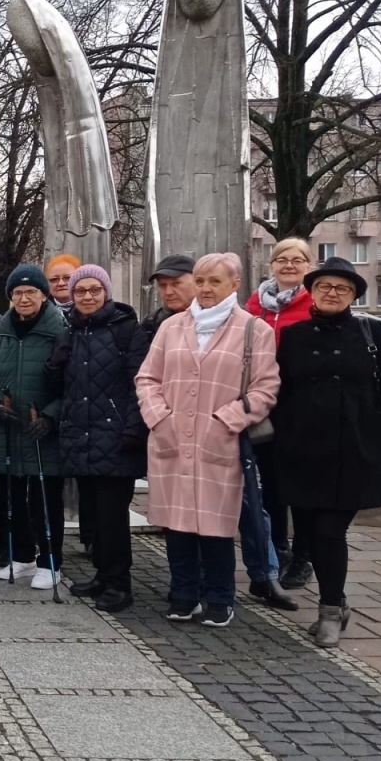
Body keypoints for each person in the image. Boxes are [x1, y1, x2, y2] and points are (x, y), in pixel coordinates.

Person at [273, 257, 381, 646]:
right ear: (311, 291)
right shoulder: (295, 335)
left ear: (353, 295)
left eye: (342, 288)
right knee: (311, 533)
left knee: (331, 530)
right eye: (324, 287)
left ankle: (330, 609)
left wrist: (379, 422)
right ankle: (339, 602)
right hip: (301, 451)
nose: (332, 293)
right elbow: (279, 388)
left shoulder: (373, 332)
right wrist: (284, 429)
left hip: (354, 449)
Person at [136, 253, 278, 628]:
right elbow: (147, 378)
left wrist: (228, 419)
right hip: (171, 438)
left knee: (216, 524)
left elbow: (266, 387)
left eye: (215, 281)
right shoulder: (172, 327)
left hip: (220, 440)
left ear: (235, 284)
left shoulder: (253, 330)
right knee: (177, 524)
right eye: (200, 281)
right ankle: (184, 595)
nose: (206, 288)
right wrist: (158, 417)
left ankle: (219, 596)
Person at [49, 265, 150, 613]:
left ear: (106, 292)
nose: (87, 296)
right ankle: (102, 576)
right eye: (80, 291)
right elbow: (62, 386)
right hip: (82, 434)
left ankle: (120, 584)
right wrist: (54, 365)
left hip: (116, 436)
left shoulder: (128, 332)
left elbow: (142, 384)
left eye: (94, 290)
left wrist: (135, 429)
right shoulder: (72, 332)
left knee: (113, 516)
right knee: (93, 515)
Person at [0, 265, 68, 588]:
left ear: (43, 295)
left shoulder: (60, 329)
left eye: (31, 292)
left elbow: (72, 382)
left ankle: (51, 562)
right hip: (6, 427)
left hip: (43, 430)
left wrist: (52, 414)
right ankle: (23, 556)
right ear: (10, 297)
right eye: (18, 293)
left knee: (44, 499)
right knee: (11, 497)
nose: (24, 298)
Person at [246, 237, 316, 590]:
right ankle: (279, 549)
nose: (289, 265)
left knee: (300, 486)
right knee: (269, 484)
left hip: (299, 407)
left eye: (297, 260)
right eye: (282, 259)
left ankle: (305, 555)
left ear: (308, 265)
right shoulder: (255, 304)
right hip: (263, 407)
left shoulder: (314, 303)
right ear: (271, 265)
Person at [140, 254, 198, 339]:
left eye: (176, 283)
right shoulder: (152, 322)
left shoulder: (216, 317)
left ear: (197, 282)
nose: (168, 292)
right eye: (162, 285)